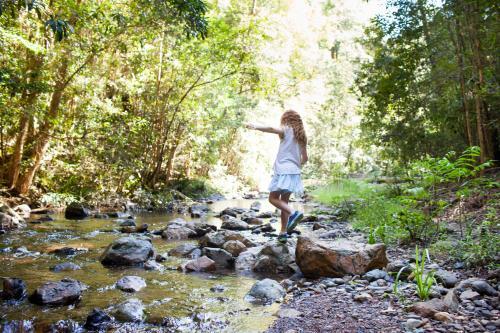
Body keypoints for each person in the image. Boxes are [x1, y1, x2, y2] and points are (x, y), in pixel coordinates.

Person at [245, 110, 308, 243]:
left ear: (286, 119)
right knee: (283, 202)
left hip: (282, 171)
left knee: (273, 199)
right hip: (294, 172)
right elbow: (305, 158)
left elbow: (271, 128)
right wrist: (296, 164)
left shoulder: (286, 130)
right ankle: (283, 233)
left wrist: (255, 126)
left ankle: (294, 213)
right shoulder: (302, 136)